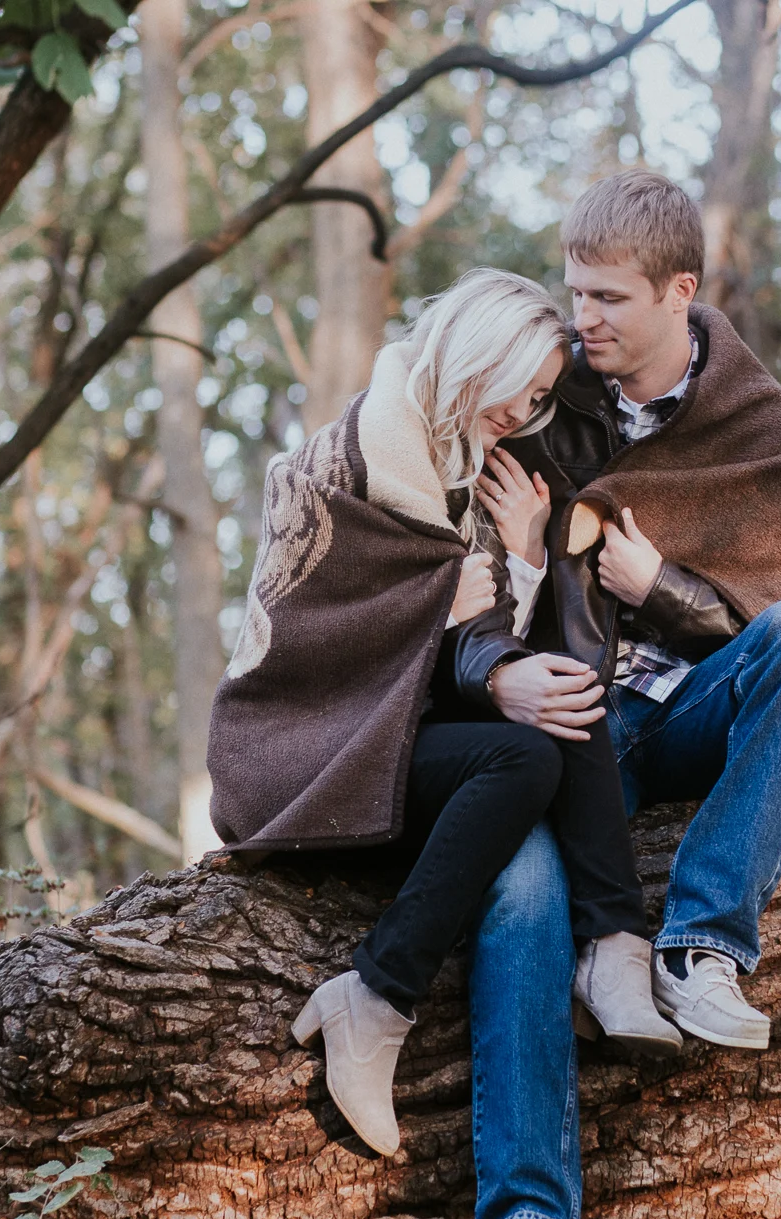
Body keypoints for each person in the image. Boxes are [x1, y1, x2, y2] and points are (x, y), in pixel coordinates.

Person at [456, 170, 781, 1219]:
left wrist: (661, 587)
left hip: (682, 717)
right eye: (571, 291)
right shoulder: (542, 409)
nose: (579, 318)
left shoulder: (767, 428)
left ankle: (700, 948)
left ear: (678, 292)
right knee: (520, 895)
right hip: (560, 732)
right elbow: (466, 593)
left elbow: (780, 608)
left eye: (605, 299)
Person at [205, 269, 679, 1169]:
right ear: (477, 353)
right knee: (524, 756)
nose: (529, 412)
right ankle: (383, 995)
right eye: (524, 387)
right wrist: (436, 602)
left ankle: (612, 945)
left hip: (408, 739)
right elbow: (308, 635)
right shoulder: (340, 459)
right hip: (305, 752)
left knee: (547, 721)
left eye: (546, 397)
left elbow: (478, 654)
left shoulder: (479, 472)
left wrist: (528, 558)